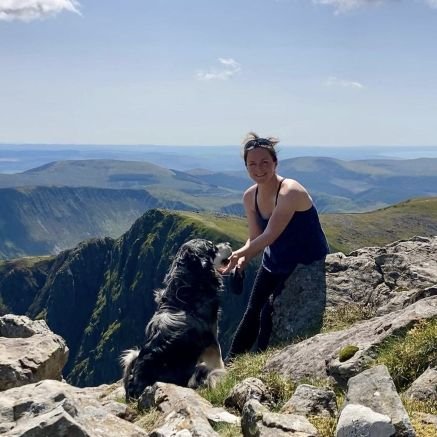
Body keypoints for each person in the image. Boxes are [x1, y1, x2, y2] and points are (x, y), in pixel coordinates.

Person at [221, 132, 329, 362]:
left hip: (305, 264)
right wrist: (243, 259)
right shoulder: (250, 196)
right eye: (252, 164)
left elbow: (270, 235)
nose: (258, 169)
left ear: (275, 163)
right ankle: (230, 366)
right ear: (246, 167)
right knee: (252, 312)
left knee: (269, 313)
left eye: (264, 163)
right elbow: (255, 237)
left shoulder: (290, 191)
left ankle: (261, 365)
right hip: (274, 262)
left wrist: (240, 253)